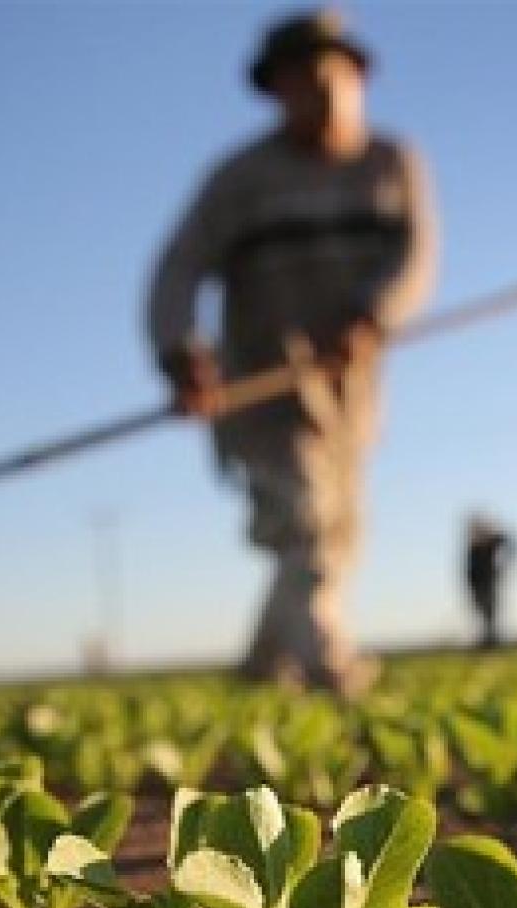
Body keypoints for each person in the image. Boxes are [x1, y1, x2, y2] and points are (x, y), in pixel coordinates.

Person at [147, 10, 437, 695]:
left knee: (335, 529)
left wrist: (373, 313)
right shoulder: (238, 180)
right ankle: (326, 666)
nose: (319, 91)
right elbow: (177, 271)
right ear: (275, 91)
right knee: (305, 520)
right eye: (300, 80)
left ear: (358, 78)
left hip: (350, 391)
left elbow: (415, 257)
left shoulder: (392, 164)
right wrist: (180, 352)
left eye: (330, 76)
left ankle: (261, 666)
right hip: (262, 385)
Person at [464, 514, 516, 649]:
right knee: (483, 612)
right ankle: (488, 640)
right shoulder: (474, 546)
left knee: (490, 612)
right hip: (477, 583)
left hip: (489, 582)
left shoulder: (491, 541)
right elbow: (470, 570)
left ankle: (492, 641)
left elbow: (507, 542)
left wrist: (502, 565)